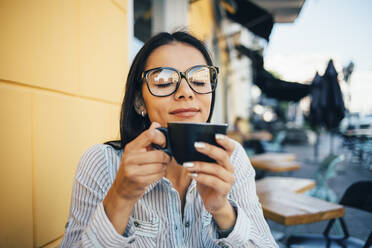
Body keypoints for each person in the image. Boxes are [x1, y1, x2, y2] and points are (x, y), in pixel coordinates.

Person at [60, 31, 278, 247]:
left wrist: (222, 210)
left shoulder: (231, 158)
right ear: (139, 102)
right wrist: (121, 196)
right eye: (163, 81)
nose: (186, 92)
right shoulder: (102, 163)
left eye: (199, 79)